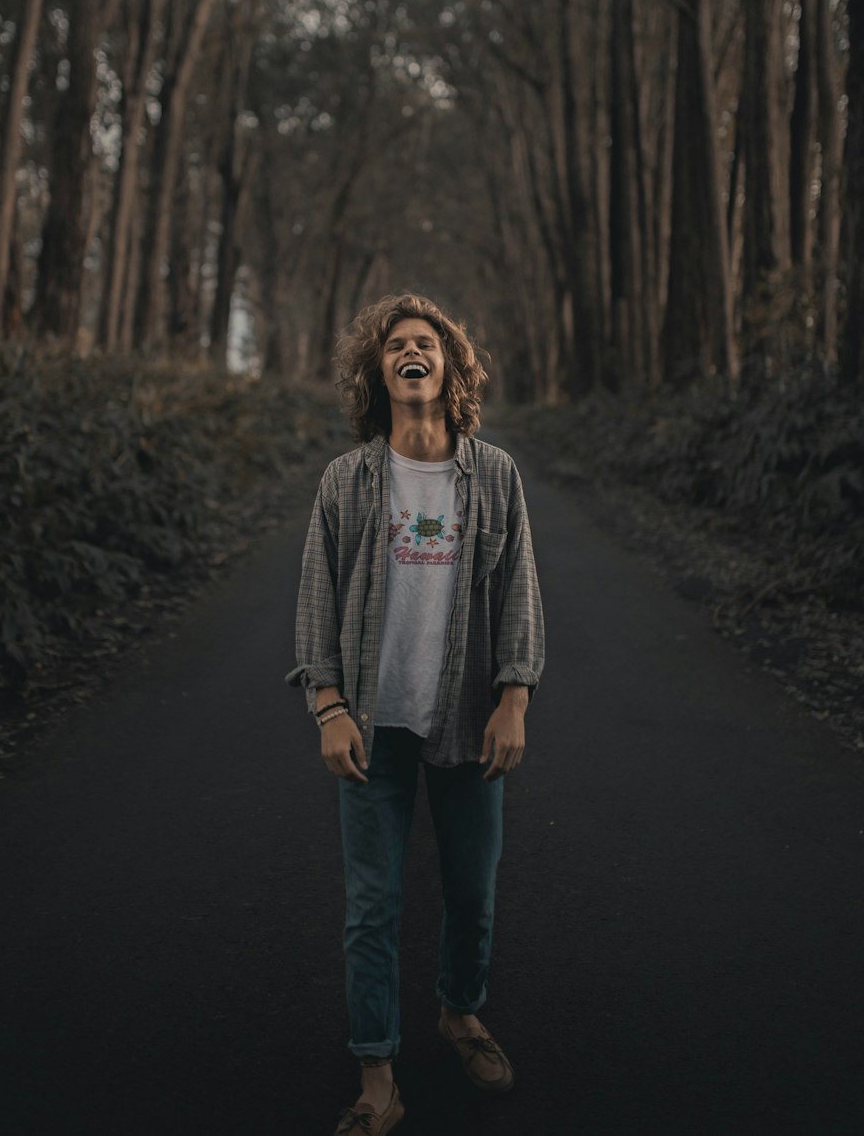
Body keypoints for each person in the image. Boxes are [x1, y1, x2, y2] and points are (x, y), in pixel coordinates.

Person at [286, 292, 545, 1135]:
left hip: (467, 716)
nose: (410, 352)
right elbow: (316, 600)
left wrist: (514, 698)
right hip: (371, 723)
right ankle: (376, 1073)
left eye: (425, 342)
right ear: (379, 371)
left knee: (472, 891)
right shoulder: (348, 481)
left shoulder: (494, 475)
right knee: (374, 902)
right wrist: (328, 706)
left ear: (449, 365)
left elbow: (518, 597)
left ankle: (461, 1013)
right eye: (396, 343)